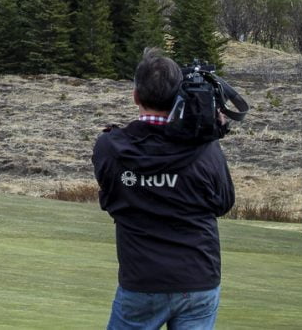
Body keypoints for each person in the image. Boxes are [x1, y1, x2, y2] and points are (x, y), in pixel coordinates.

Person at [92, 48, 234, 329]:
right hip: (198, 277)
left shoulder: (110, 147)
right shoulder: (204, 148)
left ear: (136, 96)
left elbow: (110, 199)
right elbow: (223, 203)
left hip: (142, 280)